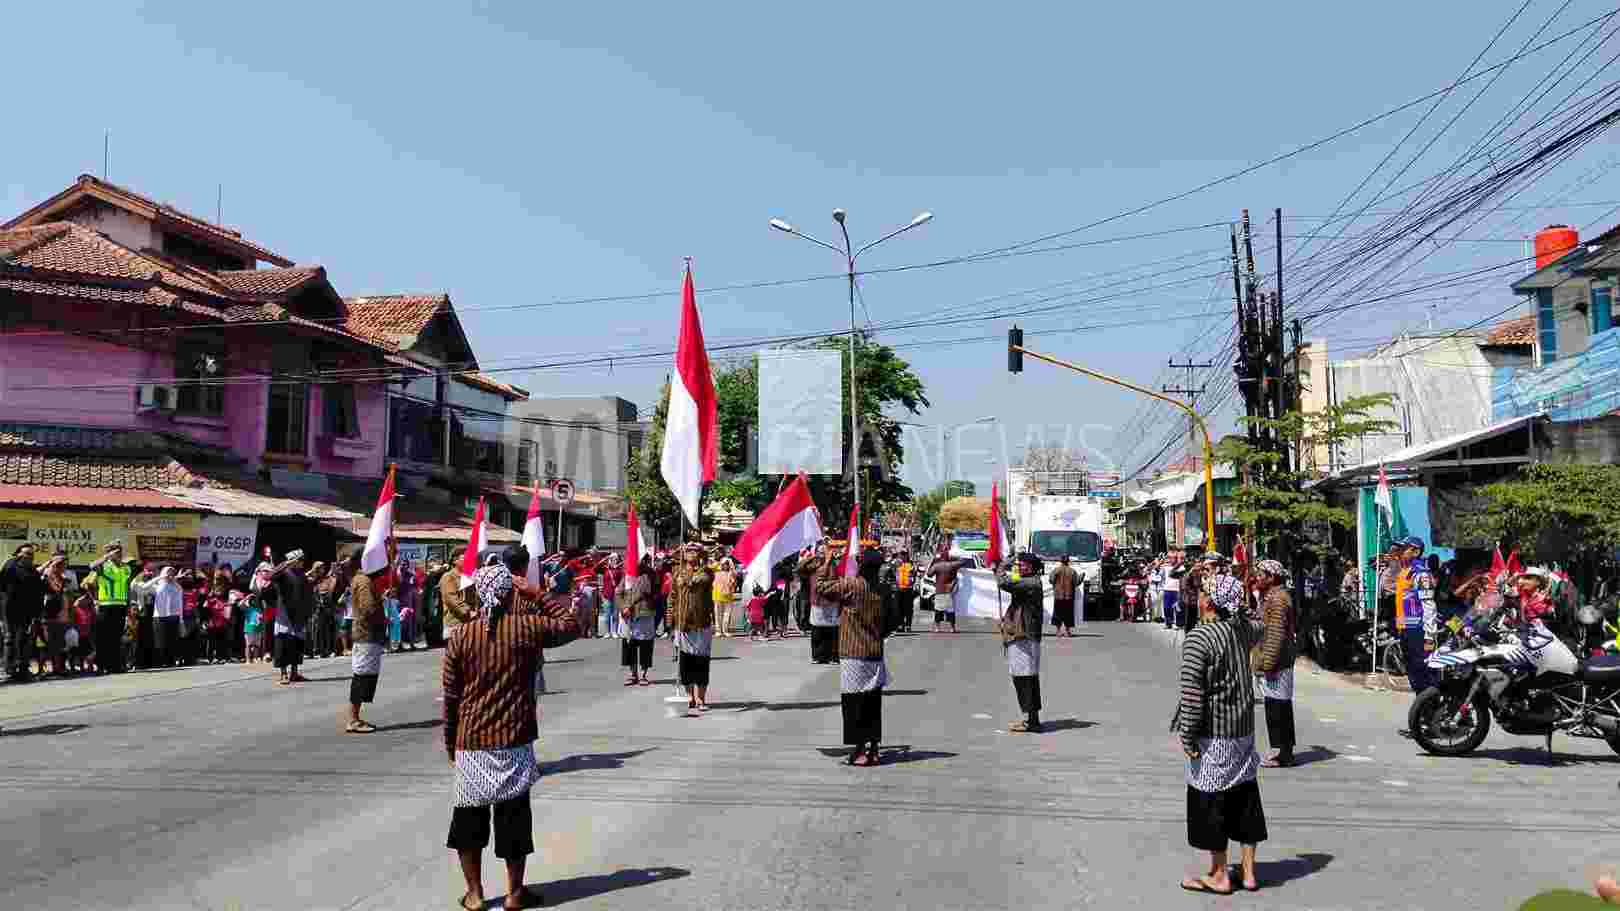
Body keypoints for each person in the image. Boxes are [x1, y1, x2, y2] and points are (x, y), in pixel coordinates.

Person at [443, 556, 582, 911]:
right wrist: (537, 593)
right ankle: (514, 893)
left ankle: (474, 894)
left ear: (477, 595)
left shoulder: (461, 636)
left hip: (471, 739)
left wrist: (450, 741)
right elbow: (570, 624)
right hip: (514, 737)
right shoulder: (526, 626)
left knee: (469, 818)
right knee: (513, 817)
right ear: (508, 595)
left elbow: (451, 696)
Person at [1172, 560, 1268, 895]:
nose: (1198, 598)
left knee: (1210, 800)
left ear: (1208, 602)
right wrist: (1243, 605)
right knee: (1245, 795)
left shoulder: (1199, 638)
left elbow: (1192, 693)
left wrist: (1187, 734)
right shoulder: (1241, 629)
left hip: (1214, 732)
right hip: (1243, 729)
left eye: (1201, 593)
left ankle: (1219, 874)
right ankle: (1249, 872)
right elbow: (1259, 625)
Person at [817, 550, 887, 765]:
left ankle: (859, 751)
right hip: (875, 653)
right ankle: (873, 748)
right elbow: (893, 620)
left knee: (854, 703)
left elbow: (821, 588)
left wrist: (827, 563)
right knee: (872, 703)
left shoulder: (853, 585)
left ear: (862, 566)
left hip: (853, 654)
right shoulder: (883, 589)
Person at [1251, 559, 1297, 768]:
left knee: (1279, 706)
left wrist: (1268, 663)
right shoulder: (1270, 596)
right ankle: (1280, 749)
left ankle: (1283, 753)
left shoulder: (1278, 599)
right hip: (1272, 660)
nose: (1257, 578)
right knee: (1274, 704)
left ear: (1272, 578)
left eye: (1261, 574)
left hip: (1277, 661)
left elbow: (1276, 634)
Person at [1000, 552, 1047, 733]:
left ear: (1034, 567)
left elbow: (1003, 582)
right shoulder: (1027, 580)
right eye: (1020, 564)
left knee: (1025, 678)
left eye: (1025, 564)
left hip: (1025, 636)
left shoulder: (1032, 582)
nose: (1021, 566)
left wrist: (1004, 565)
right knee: (1025, 677)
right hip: (1021, 635)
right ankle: (1031, 719)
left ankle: (1031, 721)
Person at [670, 543, 716, 716]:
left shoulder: (706, 572)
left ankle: (701, 698)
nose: (691, 553)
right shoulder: (677, 572)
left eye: (695, 551)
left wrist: (687, 580)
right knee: (686, 662)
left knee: (701, 662)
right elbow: (672, 597)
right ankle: (689, 696)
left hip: (701, 623)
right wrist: (671, 619)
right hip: (682, 623)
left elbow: (702, 580)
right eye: (688, 551)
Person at [345, 555, 389, 733]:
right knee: (362, 676)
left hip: (368, 634)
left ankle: (355, 718)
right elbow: (367, 607)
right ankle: (353, 719)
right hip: (366, 634)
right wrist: (380, 612)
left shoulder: (364, 579)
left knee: (365, 675)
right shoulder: (363, 581)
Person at [1392, 537, 1436, 694]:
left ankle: (1432, 707)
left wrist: (1430, 635)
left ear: (1416, 552)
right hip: (1405, 629)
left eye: (1405, 549)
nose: (1401, 552)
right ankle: (1422, 709)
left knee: (1423, 673)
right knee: (1413, 673)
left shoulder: (1421, 574)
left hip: (1419, 630)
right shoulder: (1404, 572)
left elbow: (1429, 605)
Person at [268, 550, 313, 685]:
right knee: (283, 644)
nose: (302, 562)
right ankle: (283, 674)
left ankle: (294, 673)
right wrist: (286, 564)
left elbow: (306, 594)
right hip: (285, 615)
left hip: (299, 615)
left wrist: (307, 613)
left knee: (297, 645)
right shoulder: (283, 574)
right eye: (299, 560)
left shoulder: (302, 575)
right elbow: (271, 575)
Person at [618, 556, 656, 685]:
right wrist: (623, 607)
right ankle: (632, 673)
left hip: (644, 613)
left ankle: (644, 674)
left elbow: (646, 590)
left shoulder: (649, 574)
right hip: (628, 615)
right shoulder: (627, 574)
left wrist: (630, 605)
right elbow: (618, 592)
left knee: (645, 645)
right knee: (629, 645)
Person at [39, 553, 70, 677]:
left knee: (59, 643)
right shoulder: (45, 576)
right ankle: (52, 669)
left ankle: (59, 668)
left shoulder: (62, 579)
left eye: (65, 565)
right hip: (47, 614)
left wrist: (65, 611)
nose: (64, 568)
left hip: (59, 613)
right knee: (51, 643)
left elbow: (63, 596)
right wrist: (49, 564)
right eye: (62, 565)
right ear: (56, 565)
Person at [149, 566, 183, 668]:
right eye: (168, 572)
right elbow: (144, 587)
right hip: (160, 616)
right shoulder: (158, 585)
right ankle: (160, 661)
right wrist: (160, 577)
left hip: (174, 616)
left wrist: (181, 619)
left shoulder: (176, 586)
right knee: (160, 640)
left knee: (172, 640)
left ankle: (171, 661)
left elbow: (180, 602)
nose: (170, 575)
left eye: (172, 573)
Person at [926, 545, 965, 634]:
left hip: (939, 590)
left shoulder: (937, 565)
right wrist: (954, 557)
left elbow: (929, 574)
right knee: (950, 610)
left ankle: (937, 627)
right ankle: (952, 628)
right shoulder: (952, 564)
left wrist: (933, 562)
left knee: (938, 610)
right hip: (949, 590)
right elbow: (963, 561)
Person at [1049, 555, 1081, 637]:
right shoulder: (1072, 571)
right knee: (1068, 614)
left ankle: (1058, 631)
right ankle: (1067, 631)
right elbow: (1077, 582)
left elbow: (1051, 580)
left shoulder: (1056, 570)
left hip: (1058, 595)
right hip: (1069, 595)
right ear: (1068, 561)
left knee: (1057, 613)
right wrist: (1082, 577)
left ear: (1061, 561)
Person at [712, 559, 738, 638]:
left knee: (727, 614)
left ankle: (725, 630)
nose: (725, 566)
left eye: (727, 564)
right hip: (717, 595)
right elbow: (712, 566)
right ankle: (718, 631)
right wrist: (719, 562)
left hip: (728, 596)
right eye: (724, 564)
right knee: (717, 614)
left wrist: (730, 562)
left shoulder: (731, 573)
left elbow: (734, 580)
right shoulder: (716, 572)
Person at [895, 554, 916, 633]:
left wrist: (913, 582)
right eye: (901, 554)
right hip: (898, 589)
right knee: (898, 608)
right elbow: (893, 574)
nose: (903, 556)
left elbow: (914, 574)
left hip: (908, 589)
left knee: (908, 609)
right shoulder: (896, 564)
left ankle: (908, 625)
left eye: (904, 554)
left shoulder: (911, 565)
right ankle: (900, 625)